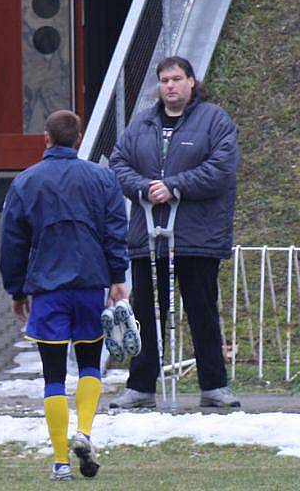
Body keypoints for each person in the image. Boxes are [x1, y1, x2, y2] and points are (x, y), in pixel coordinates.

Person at [0, 109, 129, 481]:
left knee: (53, 376)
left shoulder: (26, 182)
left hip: (47, 289)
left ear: (46, 138)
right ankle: (85, 432)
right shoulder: (102, 178)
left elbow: (13, 241)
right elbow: (114, 231)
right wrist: (117, 277)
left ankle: (59, 462)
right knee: (90, 364)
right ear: (78, 139)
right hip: (91, 285)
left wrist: (16, 288)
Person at [109, 55, 240, 409]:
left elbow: (221, 168)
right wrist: (143, 188)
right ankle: (140, 386)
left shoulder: (214, 121)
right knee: (147, 313)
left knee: (202, 311)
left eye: (177, 79)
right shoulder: (141, 124)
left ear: (191, 82)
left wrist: (175, 186)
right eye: (164, 80)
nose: (170, 86)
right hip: (148, 238)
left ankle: (214, 385)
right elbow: (119, 162)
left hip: (195, 237)